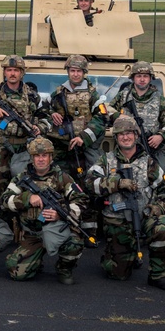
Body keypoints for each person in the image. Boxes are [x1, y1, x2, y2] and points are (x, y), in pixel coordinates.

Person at [86, 116, 165, 291]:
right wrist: (116, 183)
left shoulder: (149, 162)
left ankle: (159, 275)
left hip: (144, 216)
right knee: (117, 274)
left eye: (129, 133)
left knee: (163, 229)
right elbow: (89, 183)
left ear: (136, 135)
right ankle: (118, 256)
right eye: (121, 134)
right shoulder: (106, 160)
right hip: (117, 221)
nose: (125, 137)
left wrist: (158, 208)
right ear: (116, 137)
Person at [2, 137, 87, 285]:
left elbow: (81, 200)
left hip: (55, 230)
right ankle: (34, 261)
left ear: (50, 157)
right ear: (32, 158)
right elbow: (4, 200)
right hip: (32, 234)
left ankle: (64, 268)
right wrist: (27, 198)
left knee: (75, 243)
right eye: (37, 156)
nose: (40, 159)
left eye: (44, 155)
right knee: (17, 272)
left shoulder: (62, 177)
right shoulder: (22, 178)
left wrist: (60, 214)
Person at [46, 54, 105, 240]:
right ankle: (64, 223)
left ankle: (91, 227)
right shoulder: (58, 93)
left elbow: (102, 118)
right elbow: (43, 110)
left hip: (85, 145)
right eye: (72, 70)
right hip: (64, 146)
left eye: (79, 71)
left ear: (84, 72)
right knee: (58, 180)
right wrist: (52, 114)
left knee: (94, 178)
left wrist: (84, 137)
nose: (75, 74)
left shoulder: (94, 94)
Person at [0, 55, 49, 194]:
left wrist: (39, 128)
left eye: (16, 70)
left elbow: (46, 117)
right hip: (0, 150)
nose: (12, 73)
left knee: (23, 187)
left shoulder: (33, 96)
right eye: (9, 70)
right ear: (4, 72)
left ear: (22, 73)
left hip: (24, 148)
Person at [109, 61, 165, 178]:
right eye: (139, 76)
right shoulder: (123, 96)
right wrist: (118, 116)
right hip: (126, 147)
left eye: (145, 76)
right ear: (133, 78)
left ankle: (163, 194)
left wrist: (161, 136)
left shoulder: (159, 100)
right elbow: (106, 110)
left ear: (150, 78)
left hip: (151, 146)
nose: (142, 79)